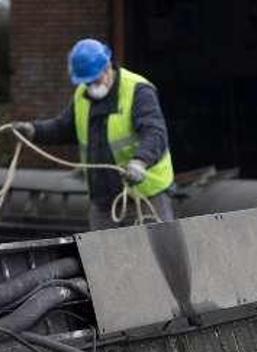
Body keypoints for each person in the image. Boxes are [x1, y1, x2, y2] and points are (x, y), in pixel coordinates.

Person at [12, 38, 175, 230]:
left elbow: (155, 133)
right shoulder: (83, 95)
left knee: (154, 255)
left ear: (107, 68)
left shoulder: (137, 90)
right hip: (103, 201)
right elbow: (64, 127)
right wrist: (34, 131)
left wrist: (140, 161)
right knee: (101, 257)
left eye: (94, 80)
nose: (91, 87)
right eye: (86, 82)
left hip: (145, 197)